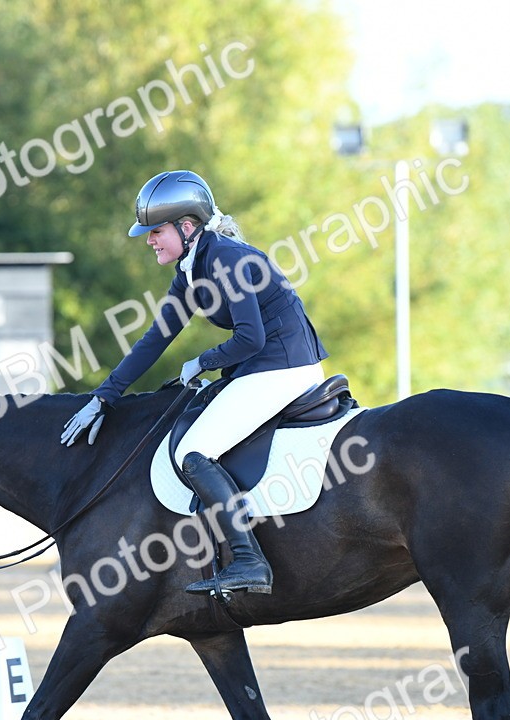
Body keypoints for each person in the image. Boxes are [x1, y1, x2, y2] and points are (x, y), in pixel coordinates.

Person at [60, 170, 328, 597]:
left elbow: (251, 338)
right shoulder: (192, 269)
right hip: (263, 366)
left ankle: (248, 560)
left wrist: (202, 360)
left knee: (192, 450)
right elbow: (154, 340)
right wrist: (102, 398)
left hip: (285, 366)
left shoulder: (227, 259)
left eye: (156, 231)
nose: (149, 240)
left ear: (187, 227)